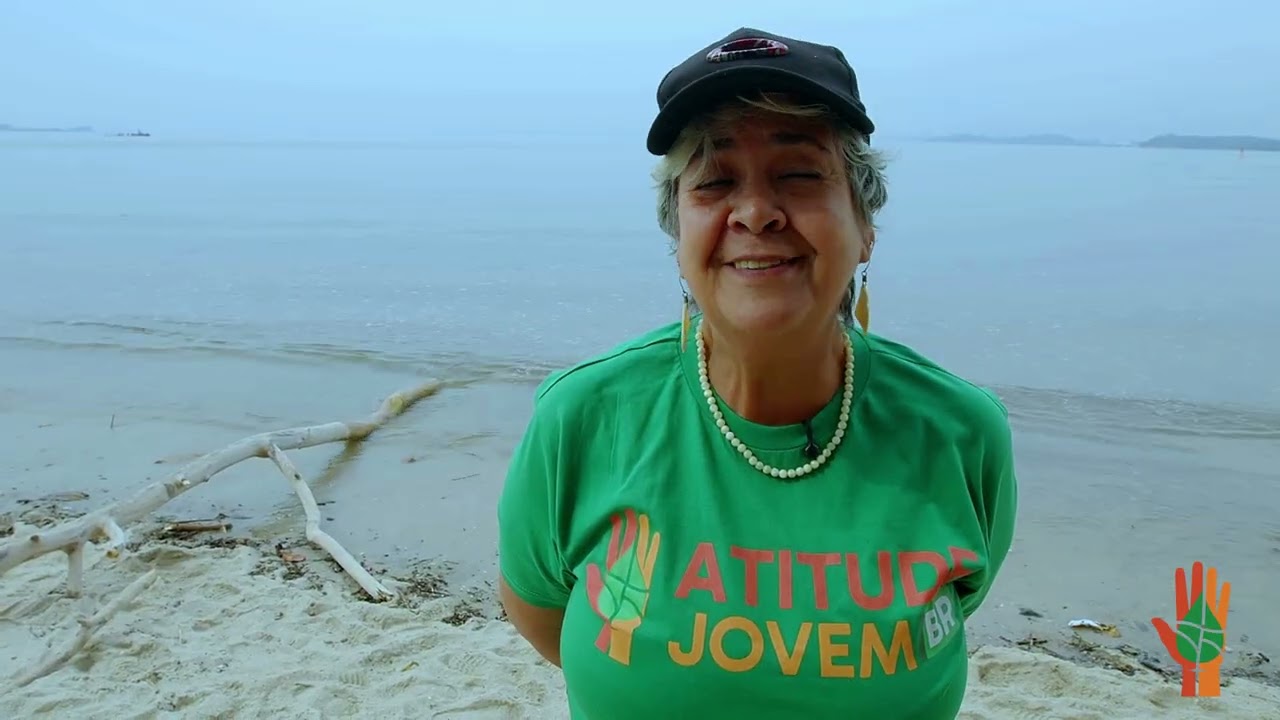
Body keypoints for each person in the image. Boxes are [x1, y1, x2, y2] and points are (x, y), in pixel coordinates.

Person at [496, 26, 1018, 720]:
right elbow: (542, 613)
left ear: (864, 225)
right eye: (715, 182)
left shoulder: (959, 432)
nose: (755, 213)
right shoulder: (582, 419)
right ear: (678, 235)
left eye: (799, 175)